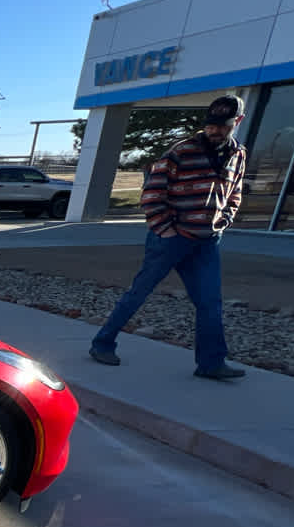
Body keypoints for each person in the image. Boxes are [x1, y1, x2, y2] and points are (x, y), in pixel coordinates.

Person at [90, 95, 249, 380]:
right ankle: (102, 343)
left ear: (237, 122)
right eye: (211, 125)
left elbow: (234, 192)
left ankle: (211, 363)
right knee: (140, 291)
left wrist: (225, 220)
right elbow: (152, 194)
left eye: (222, 126)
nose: (215, 130)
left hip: (207, 241)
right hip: (171, 238)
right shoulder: (181, 151)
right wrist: (167, 228)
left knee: (210, 301)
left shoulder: (238, 154)